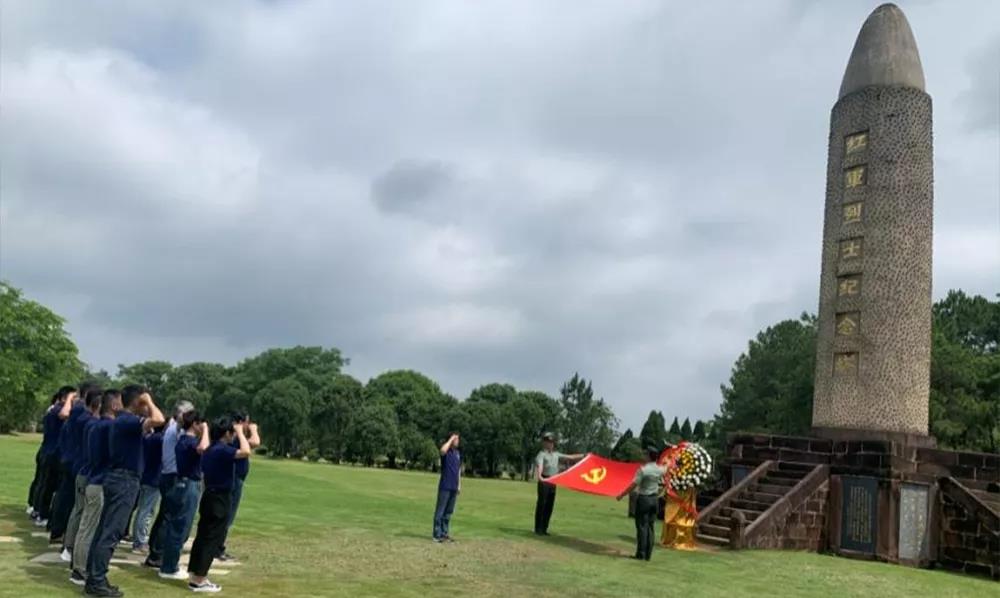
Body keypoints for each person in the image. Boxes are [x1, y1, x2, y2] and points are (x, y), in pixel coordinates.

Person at [85, 385, 164, 598]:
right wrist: (148, 400)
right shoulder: (127, 420)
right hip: (125, 480)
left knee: (105, 530)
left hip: (118, 478)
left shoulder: (122, 421)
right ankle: (97, 580)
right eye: (144, 402)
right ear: (138, 402)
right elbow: (159, 419)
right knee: (111, 532)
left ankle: (94, 577)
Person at [187, 416, 251, 593]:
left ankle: (195, 574)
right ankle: (200, 579)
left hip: (209, 495)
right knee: (211, 538)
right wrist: (240, 432)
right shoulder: (222, 450)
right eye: (232, 433)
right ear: (227, 433)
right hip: (220, 498)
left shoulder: (210, 448)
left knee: (203, 536)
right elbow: (246, 451)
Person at [70, 390, 119, 586]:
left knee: (85, 525)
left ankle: (79, 565)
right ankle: (80, 569)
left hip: (91, 476)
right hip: (98, 482)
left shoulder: (94, 425)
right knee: (89, 527)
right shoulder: (107, 426)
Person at [144, 400, 195, 569]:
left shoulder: (171, 428)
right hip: (173, 475)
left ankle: (155, 550)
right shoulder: (177, 430)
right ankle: (158, 553)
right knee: (169, 517)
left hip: (167, 474)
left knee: (164, 515)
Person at [159, 410, 209, 580]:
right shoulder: (189, 441)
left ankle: (169, 563)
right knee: (181, 527)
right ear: (195, 424)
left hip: (182, 483)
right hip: (188, 485)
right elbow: (203, 447)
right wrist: (206, 430)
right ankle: (169, 567)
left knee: (177, 525)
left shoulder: (183, 439)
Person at [64, 387, 104, 561]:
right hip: (85, 468)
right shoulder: (88, 421)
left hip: (81, 466)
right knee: (81, 511)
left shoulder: (83, 418)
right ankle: (69, 547)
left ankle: (70, 545)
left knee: (79, 509)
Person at [216, 411, 260, 561]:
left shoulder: (234, 436)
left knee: (226, 514)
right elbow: (255, 442)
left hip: (235, 479)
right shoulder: (235, 436)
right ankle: (218, 547)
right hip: (234, 480)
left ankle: (218, 546)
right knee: (228, 515)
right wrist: (253, 430)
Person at [30, 389, 71, 524]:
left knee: (45, 483)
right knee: (49, 485)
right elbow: (64, 414)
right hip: (53, 452)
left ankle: (37, 510)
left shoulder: (52, 409)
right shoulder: (57, 410)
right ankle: (42, 513)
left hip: (49, 451)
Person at [616, 447, 665, 561]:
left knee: (642, 527)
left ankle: (641, 553)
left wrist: (622, 495)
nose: (644, 456)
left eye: (645, 454)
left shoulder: (643, 470)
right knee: (650, 527)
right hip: (654, 500)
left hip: (644, 499)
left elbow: (633, 485)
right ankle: (648, 554)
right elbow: (667, 469)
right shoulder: (660, 469)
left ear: (648, 456)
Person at [44, 385, 80, 539]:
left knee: (60, 493)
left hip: (63, 457)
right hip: (64, 458)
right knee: (62, 495)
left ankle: (54, 525)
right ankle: (56, 527)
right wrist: (70, 399)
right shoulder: (62, 411)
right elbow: (64, 414)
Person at [533, 433, 583, 536]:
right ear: (544, 443)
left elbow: (570, 457)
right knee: (542, 504)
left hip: (553, 481)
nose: (550, 444)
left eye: (551, 443)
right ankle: (538, 528)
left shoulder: (556, 454)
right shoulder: (541, 454)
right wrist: (540, 476)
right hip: (545, 480)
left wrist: (584, 455)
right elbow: (540, 466)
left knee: (549, 505)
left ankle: (544, 528)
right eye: (548, 442)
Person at [132, 423, 164, 554]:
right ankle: (140, 540)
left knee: (143, 509)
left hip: (146, 476)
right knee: (146, 511)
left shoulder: (148, 438)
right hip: (153, 478)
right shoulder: (159, 439)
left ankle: (138, 539)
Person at [432, 433, 461, 543]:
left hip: (454, 486)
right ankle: (437, 535)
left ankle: (444, 533)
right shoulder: (446, 452)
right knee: (440, 511)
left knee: (448, 512)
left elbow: (458, 470)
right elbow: (442, 450)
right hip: (445, 486)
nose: (458, 441)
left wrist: (459, 485)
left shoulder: (457, 453)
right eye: (456, 439)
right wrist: (451, 439)